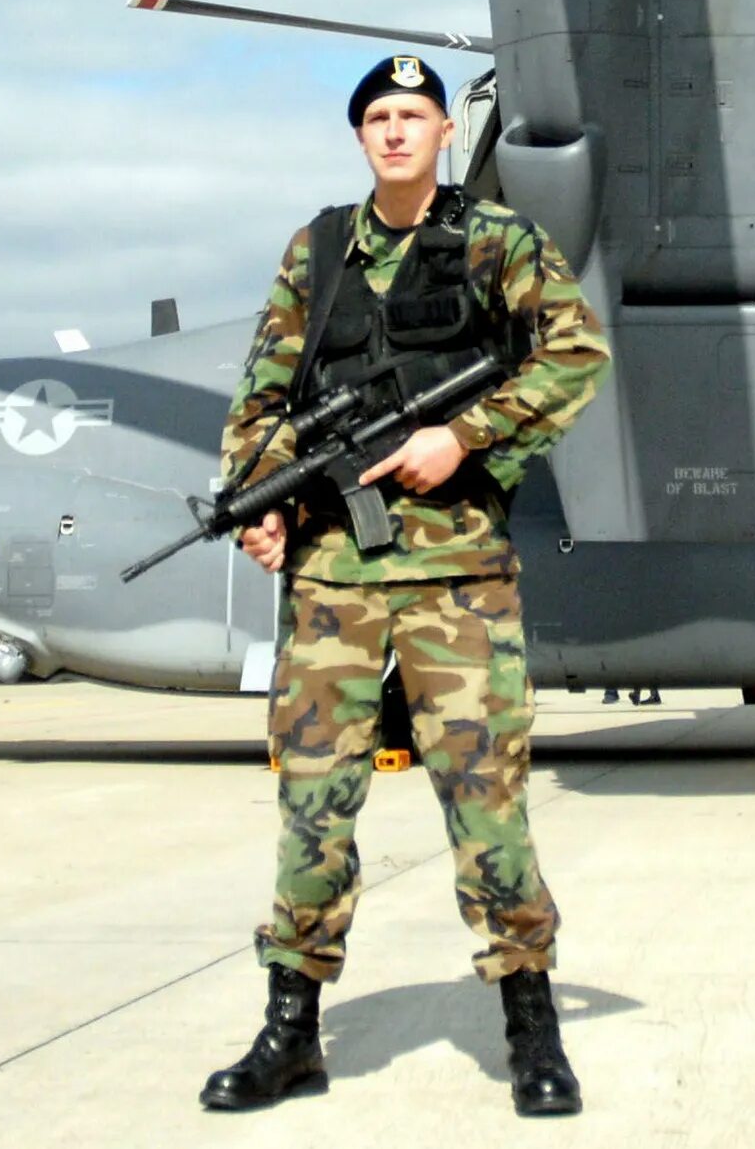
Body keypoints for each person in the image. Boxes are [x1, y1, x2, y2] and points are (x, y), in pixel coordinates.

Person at [199, 54, 612, 1120]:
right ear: (360, 137)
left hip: (457, 573)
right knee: (312, 804)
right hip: (334, 574)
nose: (394, 131)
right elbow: (261, 400)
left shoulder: (497, 240)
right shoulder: (318, 250)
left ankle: (531, 1026)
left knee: (487, 804)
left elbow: (575, 353)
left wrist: (461, 434)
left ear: (441, 131)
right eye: (377, 117)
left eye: (412, 115)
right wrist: (265, 502)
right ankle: (292, 1029)